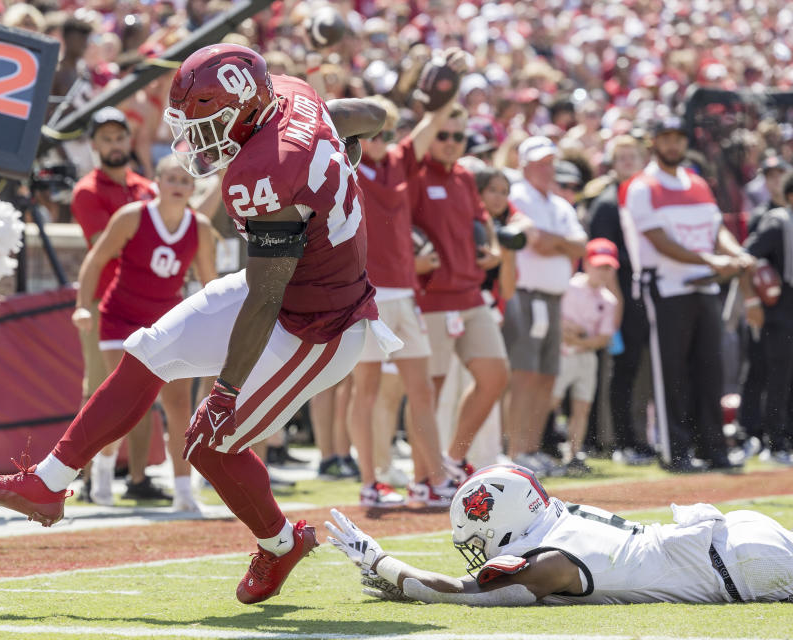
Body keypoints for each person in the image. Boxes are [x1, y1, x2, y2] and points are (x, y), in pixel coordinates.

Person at [0, 43, 393, 605]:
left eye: (207, 121)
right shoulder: (289, 96)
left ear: (244, 104)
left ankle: (280, 543)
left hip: (320, 324)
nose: (196, 136)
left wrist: (226, 391)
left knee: (209, 442)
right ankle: (49, 482)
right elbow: (373, 114)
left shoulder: (266, 168)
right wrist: (338, 146)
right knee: (147, 350)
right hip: (289, 290)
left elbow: (263, 300)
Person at [326, 464, 793, 606]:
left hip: (738, 566)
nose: (480, 548)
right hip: (739, 533)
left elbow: (459, 593)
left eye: (479, 534)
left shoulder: (549, 560)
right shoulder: (556, 515)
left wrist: (379, 561)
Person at [72, 154, 217, 510]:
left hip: (168, 321)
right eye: (172, 179)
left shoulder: (198, 227)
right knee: (122, 402)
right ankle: (103, 472)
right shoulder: (133, 216)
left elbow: (209, 283)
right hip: (121, 316)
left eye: (185, 182)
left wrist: (217, 326)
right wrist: (81, 304)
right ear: (157, 183)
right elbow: (96, 258)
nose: (179, 187)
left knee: (178, 401)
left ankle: (184, 490)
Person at [351, 78, 469, 508]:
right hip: (367, 296)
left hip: (405, 294)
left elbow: (435, 119)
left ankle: (431, 480)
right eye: (371, 132)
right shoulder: (348, 164)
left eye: (386, 130)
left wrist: (446, 79)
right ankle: (369, 481)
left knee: (421, 389)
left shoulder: (399, 161)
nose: (381, 139)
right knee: (364, 390)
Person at [621, 116, 750, 472]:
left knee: (710, 368)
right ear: (653, 143)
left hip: (705, 284)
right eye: (666, 138)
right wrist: (712, 258)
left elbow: (716, 227)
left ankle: (713, 448)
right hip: (666, 285)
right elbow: (658, 240)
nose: (673, 145)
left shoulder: (696, 182)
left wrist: (733, 252)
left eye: (678, 138)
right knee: (671, 371)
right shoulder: (641, 186)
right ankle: (675, 451)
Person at [411, 103, 510, 489]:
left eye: (459, 136)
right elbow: (392, 224)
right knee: (428, 391)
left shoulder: (465, 178)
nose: (451, 143)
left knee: (495, 375)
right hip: (432, 296)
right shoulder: (414, 175)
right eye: (443, 134)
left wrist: (496, 249)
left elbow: (482, 217)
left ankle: (451, 462)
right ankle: (422, 478)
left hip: (469, 294)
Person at [69, 107, 165, 503]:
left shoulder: (147, 187)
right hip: (104, 301)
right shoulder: (87, 191)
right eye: (105, 138)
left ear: (130, 140)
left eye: (119, 137)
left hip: (147, 300)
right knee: (100, 391)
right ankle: (90, 478)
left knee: (146, 390)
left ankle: (139, 478)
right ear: (93, 144)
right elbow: (105, 249)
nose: (114, 145)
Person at [504, 136, 587, 476]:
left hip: (553, 298)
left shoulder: (559, 204)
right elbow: (534, 240)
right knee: (524, 375)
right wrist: (559, 244)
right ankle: (514, 452)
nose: (546, 169)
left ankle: (531, 448)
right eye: (539, 162)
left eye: (550, 162)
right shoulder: (516, 194)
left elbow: (579, 244)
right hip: (525, 294)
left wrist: (556, 243)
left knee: (546, 376)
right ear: (523, 165)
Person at [587, 135, 653, 465]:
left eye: (633, 156)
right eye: (621, 157)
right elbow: (601, 259)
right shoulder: (606, 203)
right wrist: (615, 303)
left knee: (642, 370)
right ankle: (618, 440)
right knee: (620, 369)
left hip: (647, 296)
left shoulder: (648, 198)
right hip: (618, 298)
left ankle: (639, 438)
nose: (627, 162)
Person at [549, 239, 619, 474]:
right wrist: (568, 331)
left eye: (607, 268)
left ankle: (573, 453)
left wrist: (579, 339)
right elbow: (557, 318)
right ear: (587, 264)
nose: (602, 272)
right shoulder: (569, 287)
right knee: (551, 401)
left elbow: (604, 338)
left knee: (582, 406)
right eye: (599, 266)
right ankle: (539, 447)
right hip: (561, 354)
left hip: (585, 357)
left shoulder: (608, 300)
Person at [740, 172, 793, 463]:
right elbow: (746, 256)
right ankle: (775, 443)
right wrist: (752, 299)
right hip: (780, 310)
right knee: (778, 376)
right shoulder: (777, 221)